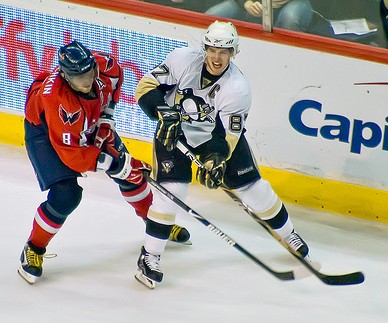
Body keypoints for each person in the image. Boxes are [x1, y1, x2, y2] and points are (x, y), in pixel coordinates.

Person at [133, 21, 310, 288]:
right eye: (213, 50)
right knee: (172, 192)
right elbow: (145, 87)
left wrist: (214, 160)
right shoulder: (182, 59)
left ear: (234, 52)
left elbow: (228, 137)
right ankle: (150, 256)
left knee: (254, 190)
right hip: (174, 133)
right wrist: (163, 112)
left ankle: (289, 235)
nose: (217, 57)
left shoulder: (237, 88)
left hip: (215, 138)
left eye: (224, 51)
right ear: (204, 48)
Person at [18, 40, 190, 284]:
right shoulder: (58, 101)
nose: (87, 80)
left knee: (132, 178)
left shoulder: (103, 66)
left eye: (89, 72)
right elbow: (76, 158)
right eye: (79, 77)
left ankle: (153, 223)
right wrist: (119, 165)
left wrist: (106, 117)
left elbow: (116, 75)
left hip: (89, 121)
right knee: (66, 196)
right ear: (66, 78)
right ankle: (34, 248)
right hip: (46, 133)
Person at [205, 0, 313, 32]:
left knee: (290, 18)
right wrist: (246, 3)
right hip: (249, 3)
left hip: (291, 3)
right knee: (211, 17)